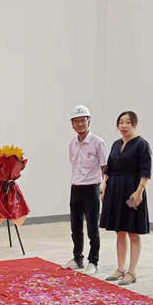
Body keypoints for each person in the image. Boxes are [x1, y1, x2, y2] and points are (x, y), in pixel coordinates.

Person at [99, 111, 151, 285]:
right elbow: (109, 169)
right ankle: (120, 268)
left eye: (128, 122)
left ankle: (132, 271)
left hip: (132, 190)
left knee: (132, 231)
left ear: (134, 124)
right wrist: (104, 185)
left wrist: (139, 191)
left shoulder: (142, 145)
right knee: (119, 231)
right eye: (121, 122)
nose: (123, 125)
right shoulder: (116, 144)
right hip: (115, 189)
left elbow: (145, 171)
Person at [65, 104, 108, 275]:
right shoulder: (72, 144)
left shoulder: (98, 142)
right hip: (75, 188)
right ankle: (77, 258)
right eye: (76, 121)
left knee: (92, 228)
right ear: (72, 125)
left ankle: (93, 261)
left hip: (92, 188)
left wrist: (104, 186)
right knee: (75, 227)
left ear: (89, 121)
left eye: (83, 120)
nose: (80, 124)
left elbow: (105, 167)